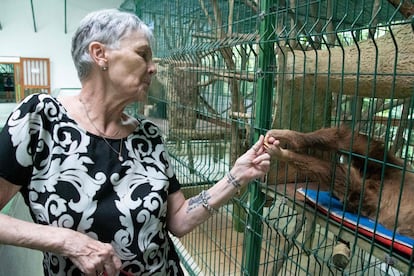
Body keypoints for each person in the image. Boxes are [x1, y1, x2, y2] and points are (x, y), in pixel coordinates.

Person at [0, 9, 277, 276]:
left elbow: (178, 220)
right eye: (143, 54)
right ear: (100, 54)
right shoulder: (41, 119)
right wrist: (65, 241)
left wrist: (236, 176)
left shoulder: (148, 136)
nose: (154, 68)